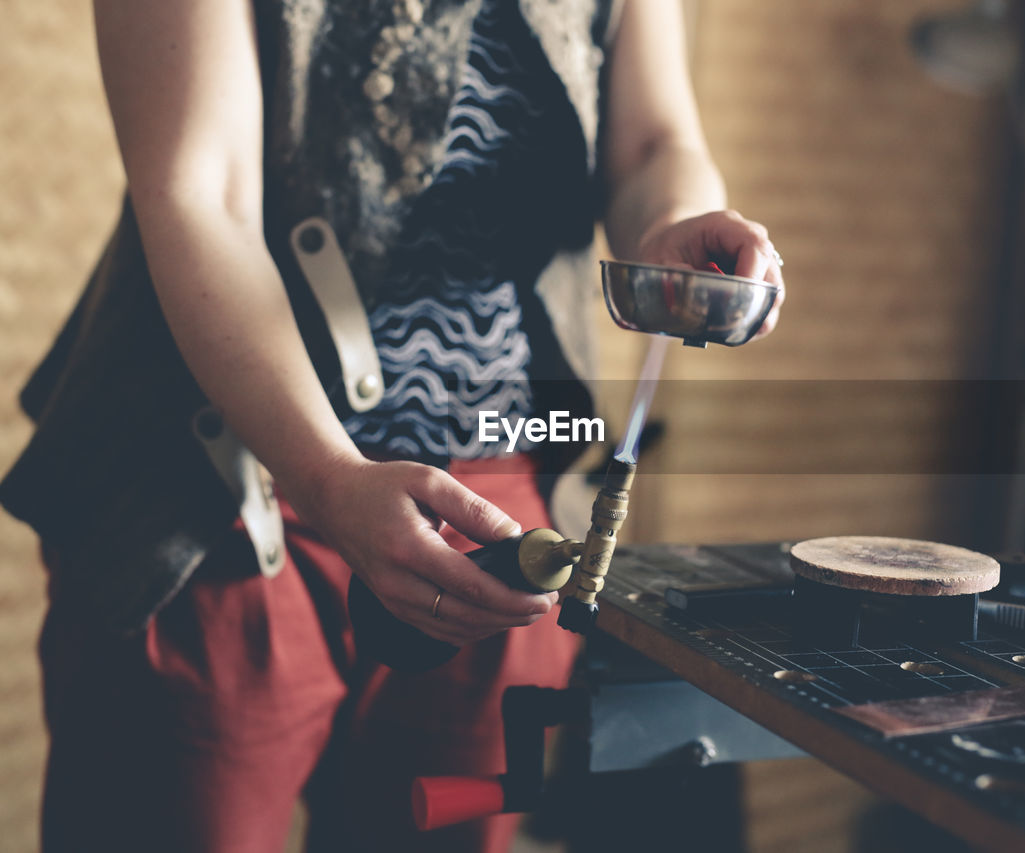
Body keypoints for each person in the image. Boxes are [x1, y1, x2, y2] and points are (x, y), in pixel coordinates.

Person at [0, 0, 784, 850]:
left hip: (495, 501)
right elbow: (204, 192)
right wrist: (329, 475)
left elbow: (651, 145)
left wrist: (671, 227)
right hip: (214, 486)